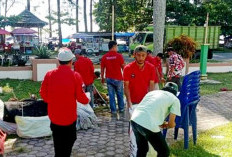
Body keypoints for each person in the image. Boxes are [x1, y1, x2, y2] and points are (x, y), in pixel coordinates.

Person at [40, 47, 89, 157]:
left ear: (58, 61)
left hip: (54, 116)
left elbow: (43, 93)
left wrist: (53, 101)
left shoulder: (49, 74)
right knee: (69, 141)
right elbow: (82, 98)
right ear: (71, 61)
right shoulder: (75, 76)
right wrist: (88, 100)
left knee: (58, 143)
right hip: (69, 117)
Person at [131, 82, 181, 157]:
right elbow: (171, 124)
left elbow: (149, 110)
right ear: (175, 93)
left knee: (142, 148)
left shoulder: (152, 93)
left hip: (135, 119)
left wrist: (161, 122)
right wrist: (171, 124)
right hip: (147, 123)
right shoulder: (175, 99)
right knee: (164, 151)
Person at [123, 45, 159, 109]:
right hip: (132, 101)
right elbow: (126, 86)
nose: (141, 58)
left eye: (143, 55)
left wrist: (150, 101)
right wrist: (129, 102)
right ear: (134, 55)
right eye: (138, 55)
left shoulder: (151, 68)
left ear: (146, 55)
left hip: (145, 101)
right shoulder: (128, 68)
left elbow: (151, 85)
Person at [101, 40, 125, 114]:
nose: (117, 48)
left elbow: (102, 69)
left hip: (109, 79)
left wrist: (102, 78)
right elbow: (123, 67)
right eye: (116, 46)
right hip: (118, 79)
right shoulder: (119, 56)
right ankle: (121, 109)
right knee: (120, 94)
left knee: (111, 96)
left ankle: (113, 110)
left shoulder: (104, 57)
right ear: (114, 46)